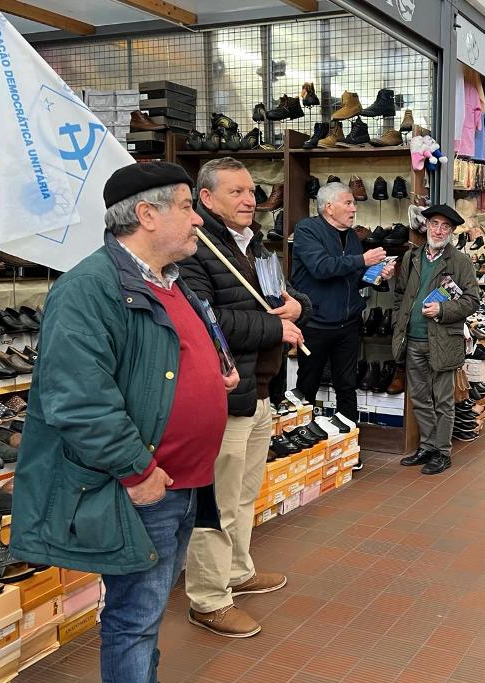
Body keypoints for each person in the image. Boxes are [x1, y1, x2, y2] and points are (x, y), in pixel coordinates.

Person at [9, 162, 239, 682]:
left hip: (185, 482)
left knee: (148, 611)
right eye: (186, 206)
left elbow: (163, 356)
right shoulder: (88, 289)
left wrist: (213, 370)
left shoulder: (171, 282)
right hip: (146, 485)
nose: (198, 219)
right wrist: (136, 471)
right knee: (134, 617)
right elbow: (79, 399)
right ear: (146, 214)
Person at [179, 157, 310, 638]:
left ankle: (238, 570)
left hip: (262, 388)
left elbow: (286, 297)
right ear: (206, 199)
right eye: (235, 192)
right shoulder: (194, 249)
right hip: (225, 394)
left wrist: (299, 308)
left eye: (251, 190)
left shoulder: (255, 245)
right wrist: (276, 325)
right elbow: (206, 320)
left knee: (244, 494)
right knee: (217, 502)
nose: (249, 200)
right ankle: (208, 598)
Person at [290, 182, 395, 436]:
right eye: (348, 203)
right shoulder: (307, 230)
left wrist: (376, 274)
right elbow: (321, 267)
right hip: (315, 324)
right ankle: (300, 439)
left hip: (347, 324)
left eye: (353, 203)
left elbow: (354, 278)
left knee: (347, 386)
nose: (354, 209)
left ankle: (348, 444)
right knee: (308, 384)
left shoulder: (351, 237)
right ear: (328, 207)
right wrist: (363, 260)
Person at [392, 204, 481, 475]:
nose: (438, 230)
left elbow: (472, 300)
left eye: (445, 226)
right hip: (413, 339)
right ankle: (427, 446)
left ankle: (442, 452)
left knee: (442, 400)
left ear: (452, 231)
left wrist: (443, 310)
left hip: (442, 341)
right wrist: (399, 323)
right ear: (426, 226)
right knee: (419, 397)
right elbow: (400, 295)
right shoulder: (412, 257)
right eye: (434, 224)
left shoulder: (460, 262)